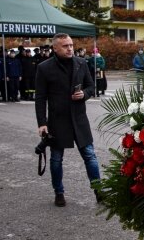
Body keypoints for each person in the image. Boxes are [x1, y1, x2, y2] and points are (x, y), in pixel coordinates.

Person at [34, 33, 100, 207]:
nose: (70, 48)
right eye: (65, 46)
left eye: (71, 45)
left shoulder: (81, 63)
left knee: (90, 156)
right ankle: (59, 192)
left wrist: (84, 94)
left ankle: (99, 191)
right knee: (56, 159)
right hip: (58, 121)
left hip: (79, 119)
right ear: (55, 48)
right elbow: (40, 97)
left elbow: (91, 86)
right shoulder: (44, 68)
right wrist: (42, 123)